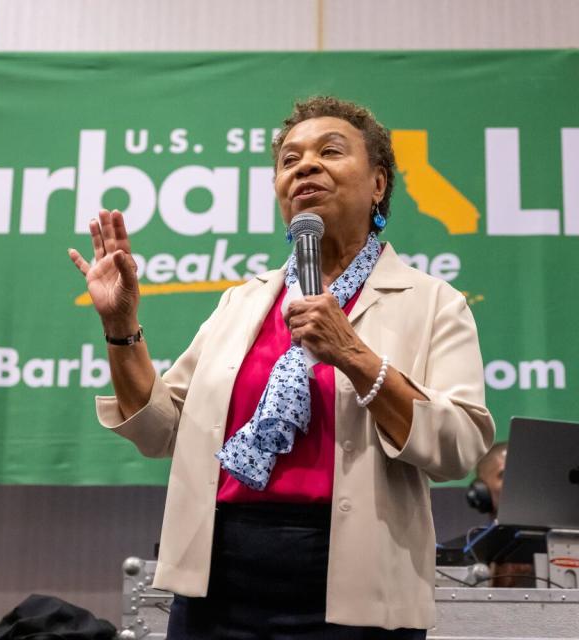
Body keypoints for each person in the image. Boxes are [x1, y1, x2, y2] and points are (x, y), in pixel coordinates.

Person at [68, 96, 495, 638]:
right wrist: (121, 327)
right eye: (289, 160)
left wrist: (356, 358)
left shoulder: (432, 302)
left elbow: (460, 445)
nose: (305, 167)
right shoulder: (242, 303)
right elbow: (160, 429)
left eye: (330, 152)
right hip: (218, 585)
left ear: (379, 184)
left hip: (355, 592)